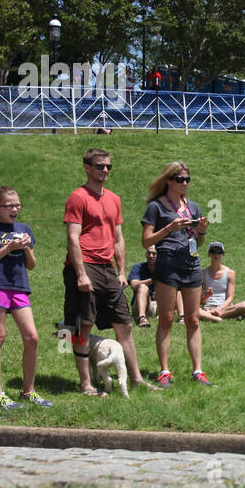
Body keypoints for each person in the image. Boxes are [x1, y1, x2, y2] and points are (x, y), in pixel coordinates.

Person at [64, 148, 148, 396]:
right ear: (87, 167)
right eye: (100, 166)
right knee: (83, 326)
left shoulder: (114, 198)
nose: (105, 170)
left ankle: (136, 380)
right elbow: (72, 237)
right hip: (85, 264)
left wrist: (121, 271)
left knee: (125, 324)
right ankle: (86, 384)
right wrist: (80, 274)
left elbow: (118, 238)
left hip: (107, 268)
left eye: (108, 166)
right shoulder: (78, 197)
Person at [0, 186, 50, 409]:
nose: (15, 208)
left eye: (18, 205)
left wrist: (26, 248)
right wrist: (8, 248)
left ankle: (29, 391)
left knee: (32, 337)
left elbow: (32, 265)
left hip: (20, 287)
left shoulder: (24, 228)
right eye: (10, 205)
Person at [142, 161, 211, 387]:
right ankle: (164, 371)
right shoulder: (156, 207)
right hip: (168, 264)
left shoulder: (193, 207)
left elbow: (198, 242)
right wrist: (169, 229)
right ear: (168, 181)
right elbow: (146, 240)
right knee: (167, 319)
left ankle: (198, 370)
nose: (184, 184)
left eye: (187, 180)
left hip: (190, 264)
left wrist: (200, 231)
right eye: (180, 179)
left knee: (192, 319)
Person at [199, 242, 245, 320]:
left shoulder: (230, 273)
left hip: (224, 308)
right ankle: (216, 317)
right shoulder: (203, 273)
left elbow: (230, 298)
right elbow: (201, 302)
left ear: (223, 254)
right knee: (191, 308)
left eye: (219, 252)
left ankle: (212, 316)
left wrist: (220, 308)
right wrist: (207, 295)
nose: (216, 255)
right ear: (208, 254)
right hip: (207, 308)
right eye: (213, 252)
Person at [128, 246, 159, 327]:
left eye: (154, 254)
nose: (151, 256)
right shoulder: (138, 267)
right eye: (149, 253)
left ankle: (182, 316)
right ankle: (142, 318)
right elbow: (134, 285)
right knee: (142, 287)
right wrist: (152, 280)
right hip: (140, 306)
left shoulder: (165, 269)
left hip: (158, 305)